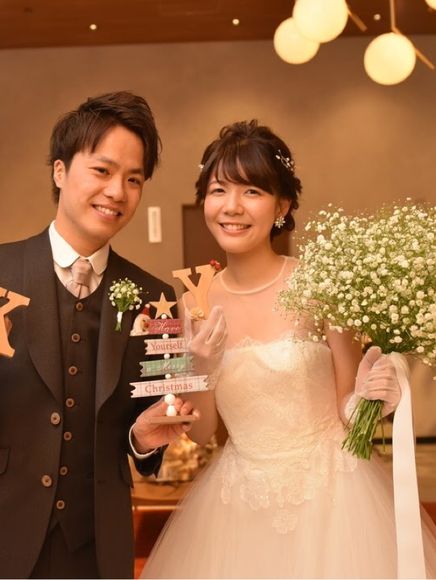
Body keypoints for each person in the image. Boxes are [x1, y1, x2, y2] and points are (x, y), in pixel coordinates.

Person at [141, 120, 436, 578]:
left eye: (252, 191)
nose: (232, 206)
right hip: (239, 505)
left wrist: (374, 396)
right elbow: (201, 433)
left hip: (334, 498)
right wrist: (199, 364)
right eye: (219, 190)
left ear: (281, 205)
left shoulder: (318, 286)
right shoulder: (190, 303)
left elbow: (347, 407)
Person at [0, 91, 195, 579]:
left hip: (93, 548)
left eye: (134, 179)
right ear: (60, 171)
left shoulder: (156, 297)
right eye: (102, 170)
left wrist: (143, 439)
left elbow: (149, 427)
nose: (118, 191)